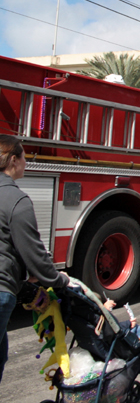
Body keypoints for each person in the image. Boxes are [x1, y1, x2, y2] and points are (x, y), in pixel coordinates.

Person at [0, 135, 70, 383]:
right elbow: (34, 254)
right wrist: (58, 279)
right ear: (13, 160)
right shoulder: (17, 201)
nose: (26, 162)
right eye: (24, 157)